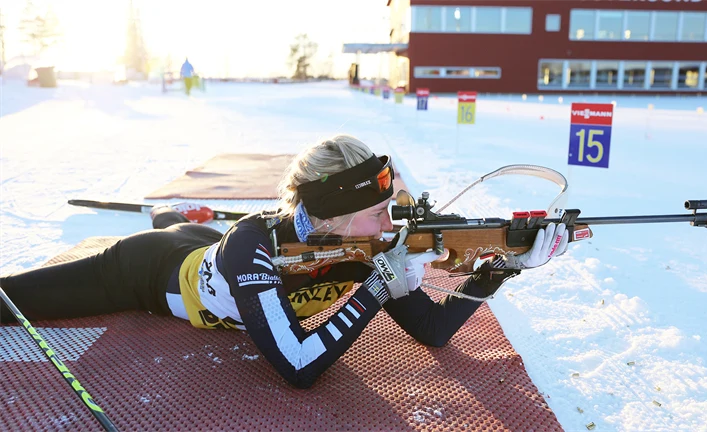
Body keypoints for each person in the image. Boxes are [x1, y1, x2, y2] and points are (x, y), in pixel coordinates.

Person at [0, 135, 568, 389]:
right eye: (378, 213)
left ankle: (176, 217)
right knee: (12, 300)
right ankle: (164, 218)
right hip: (143, 272)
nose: (390, 228)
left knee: (194, 229)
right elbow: (298, 368)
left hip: (205, 240)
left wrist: (497, 272)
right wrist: (375, 290)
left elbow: (433, 330)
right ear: (331, 215)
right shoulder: (254, 245)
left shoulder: (357, 246)